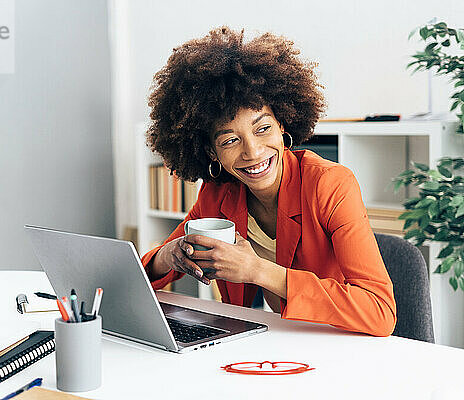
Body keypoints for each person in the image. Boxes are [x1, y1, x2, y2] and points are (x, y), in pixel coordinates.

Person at [141, 27, 396, 336]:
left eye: (262, 129)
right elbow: (142, 277)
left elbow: (380, 311)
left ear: (281, 123)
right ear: (212, 152)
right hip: (272, 343)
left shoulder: (330, 185)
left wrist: (258, 270)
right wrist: (167, 256)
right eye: (231, 140)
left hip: (336, 340)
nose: (253, 151)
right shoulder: (217, 195)